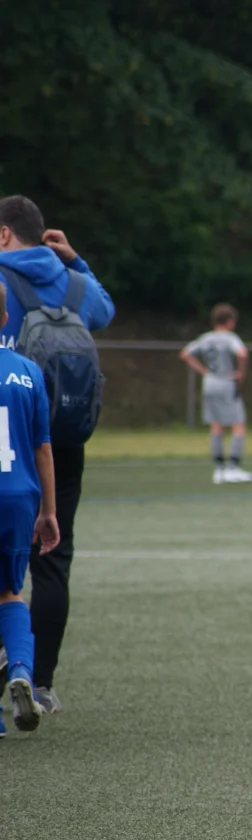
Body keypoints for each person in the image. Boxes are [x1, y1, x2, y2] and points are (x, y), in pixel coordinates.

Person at [0, 195, 114, 717]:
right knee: (53, 555)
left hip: (8, 433)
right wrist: (75, 261)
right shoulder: (74, 284)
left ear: (5, 235)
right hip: (62, 436)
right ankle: (41, 682)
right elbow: (106, 311)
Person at [0, 282, 61, 736]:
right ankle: (21, 669)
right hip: (20, 495)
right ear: (5, 320)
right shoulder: (27, 371)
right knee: (10, 593)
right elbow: (43, 448)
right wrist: (50, 511)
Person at [181, 304, 252, 484]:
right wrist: (240, 374)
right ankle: (233, 467)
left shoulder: (206, 338)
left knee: (216, 425)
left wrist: (203, 371)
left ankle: (219, 470)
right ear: (230, 321)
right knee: (238, 425)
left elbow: (185, 354)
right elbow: (242, 353)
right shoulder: (230, 338)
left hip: (210, 382)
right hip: (225, 381)